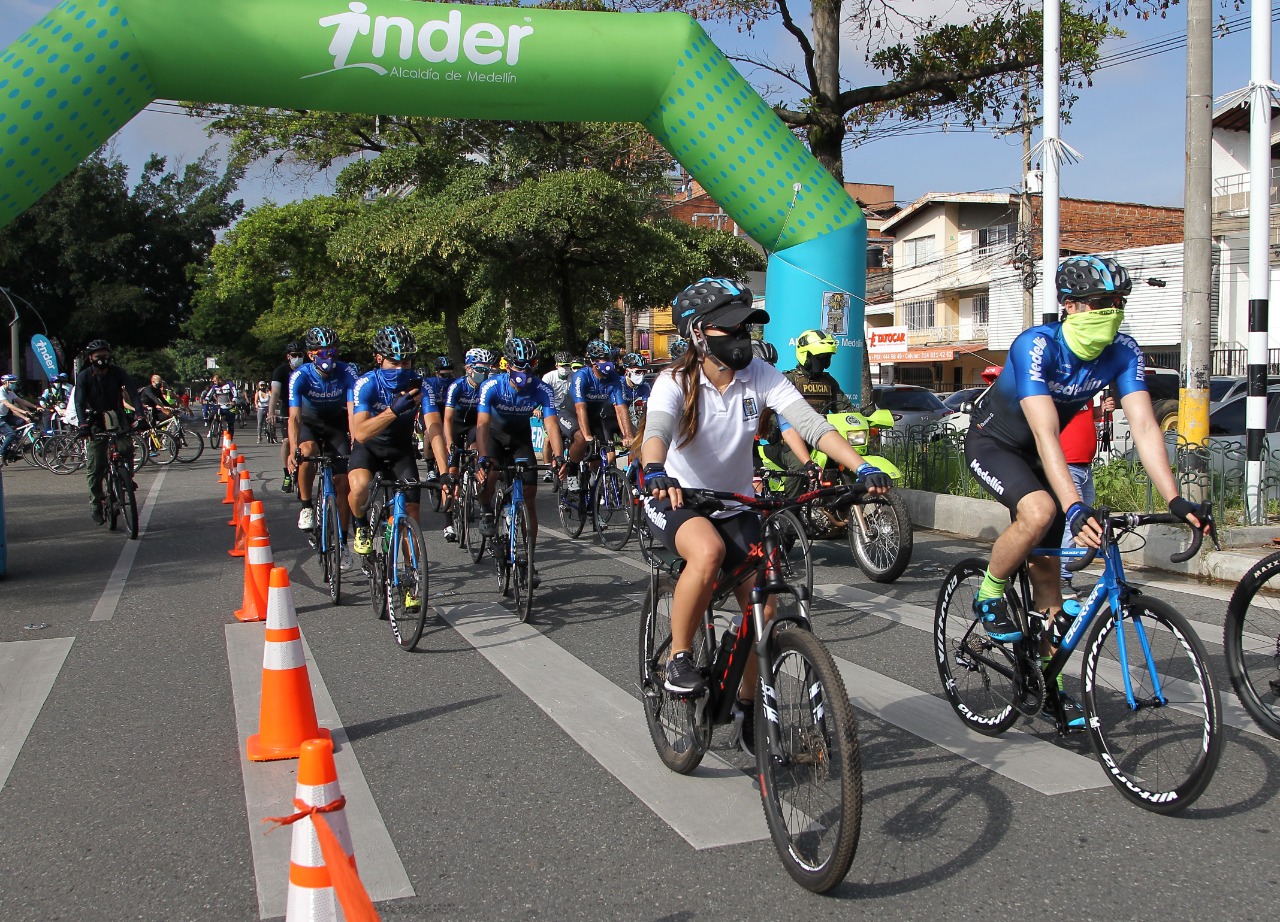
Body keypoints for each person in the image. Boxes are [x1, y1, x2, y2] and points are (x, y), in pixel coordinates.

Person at [639, 279, 890, 754]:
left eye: (746, 329)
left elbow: (812, 424)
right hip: (676, 498)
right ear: (697, 333)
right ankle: (679, 657)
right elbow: (657, 430)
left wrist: (861, 466)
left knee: (766, 608)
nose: (742, 339)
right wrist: (655, 470)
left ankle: (749, 710)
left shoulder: (760, 374)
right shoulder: (675, 382)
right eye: (730, 329)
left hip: (735, 501)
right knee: (708, 552)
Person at [964, 256, 1205, 727]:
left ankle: (1050, 684)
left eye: (1118, 302)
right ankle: (990, 591)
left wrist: (1175, 499)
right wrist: (1073, 507)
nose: (1110, 311)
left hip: (1042, 453)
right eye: (1099, 303)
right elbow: (1046, 433)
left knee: (1050, 589)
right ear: (1070, 306)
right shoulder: (1036, 346)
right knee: (1038, 511)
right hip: (996, 443)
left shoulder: (1123, 350)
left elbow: (1144, 425)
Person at [348, 325, 448, 610]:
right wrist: (393, 410)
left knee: (410, 517)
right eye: (395, 361)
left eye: (406, 361)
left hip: (401, 451)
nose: (401, 368)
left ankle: (411, 576)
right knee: (360, 488)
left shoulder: (420, 385)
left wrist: (444, 474)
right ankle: (360, 526)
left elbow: (435, 429)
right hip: (368, 449)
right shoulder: (366, 384)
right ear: (379, 358)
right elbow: (361, 433)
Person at [475, 337, 566, 588]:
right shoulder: (492, 386)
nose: (524, 371)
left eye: (530, 366)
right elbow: (481, 425)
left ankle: (529, 557)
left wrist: (559, 456)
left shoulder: (541, 389)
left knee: (529, 497)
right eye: (519, 365)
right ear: (508, 366)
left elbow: (551, 424)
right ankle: (486, 510)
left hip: (520, 439)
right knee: (490, 476)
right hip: (493, 436)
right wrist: (483, 458)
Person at [288, 325, 359, 571]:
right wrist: (291, 451)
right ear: (311, 354)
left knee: (343, 482)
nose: (329, 358)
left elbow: (352, 409)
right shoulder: (301, 376)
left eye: (333, 352)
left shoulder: (347, 371)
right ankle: (306, 506)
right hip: (310, 424)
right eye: (322, 353)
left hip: (336, 425)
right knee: (306, 452)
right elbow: (294, 417)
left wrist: (356, 438)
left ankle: (342, 542)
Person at [72, 340, 142, 524]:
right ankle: (96, 503)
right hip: (94, 420)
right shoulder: (84, 376)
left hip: (116, 417)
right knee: (96, 466)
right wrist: (83, 425)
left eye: (105, 356)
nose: (103, 360)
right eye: (98, 357)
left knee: (126, 448)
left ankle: (126, 476)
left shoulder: (118, 372)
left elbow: (134, 394)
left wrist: (140, 416)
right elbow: (78, 402)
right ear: (90, 358)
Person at [1058, 392, 1116, 599]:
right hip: (1066, 465)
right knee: (1072, 522)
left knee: (1083, 521)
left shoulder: (1084, 394)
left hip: (1084, 467)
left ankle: (1063, 574)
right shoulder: (1062, 393)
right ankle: (1062, 578)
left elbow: (1086, 415)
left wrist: (1101, 410)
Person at [443, 347, 495, 540]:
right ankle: (448, 523)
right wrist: (449, 442)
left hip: (475, 425)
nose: (485, 373)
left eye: (487, 369)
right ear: (469, 369)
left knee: (477, 449)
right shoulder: (457, 387)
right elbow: (447, 419)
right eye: (480, 369)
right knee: (451, 473)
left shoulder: (487, 387)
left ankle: (477, 481)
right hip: (456, 425)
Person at [563, 339, 631, 485]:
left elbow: (620, 408)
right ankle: (573, 470)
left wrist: (627, 435)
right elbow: (580, 408)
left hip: (593, 417)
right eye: (605, 359)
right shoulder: (582, 376)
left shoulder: (613, 378)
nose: (610, 363)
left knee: (596, 462)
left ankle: (593, 493)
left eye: (611, 359)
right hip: (570, 414)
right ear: (594, 362)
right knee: (581, 438)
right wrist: (587, 436)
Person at [270, 340, 306, 492]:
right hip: (288, 409)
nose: (297, 357)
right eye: (294, 355)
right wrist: (271, 411)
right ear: (288, 357)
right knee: (286, 441)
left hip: (306, 408)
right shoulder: (280, 371)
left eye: (300, 355)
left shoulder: (308, 369)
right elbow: (275, 393)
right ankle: (287, 474)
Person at [539, 351, 574, 480]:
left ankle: (571, 466)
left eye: (567, 365)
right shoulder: (548, 377)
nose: (564, 368)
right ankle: (548, 468)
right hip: (551, 411)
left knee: (574, 439)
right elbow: (541, 395)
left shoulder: (574, 377)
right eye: (562, 365)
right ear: (556, 365)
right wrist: (538, 409)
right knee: (548, 440)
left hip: (568, 412)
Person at [0, 373, 34, 462]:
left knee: (23, 423)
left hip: (6, 416)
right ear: (5, 383)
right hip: (0, 418)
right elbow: (8, 404)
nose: (13, 384)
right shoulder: (1, 391)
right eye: (12, 382)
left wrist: (35, 407)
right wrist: (23, 412)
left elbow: (21, 401)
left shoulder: (10, 392)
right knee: (11, 433)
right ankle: (2, 454)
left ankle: (13, 448)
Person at [203, 374, 238, 439]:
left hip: (229, 406)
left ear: (219, 380)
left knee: (230, 423)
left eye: (215, 381)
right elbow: (209, 394)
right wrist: (206, 400)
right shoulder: (214, 387)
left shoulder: (229, 385)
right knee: (210, 416)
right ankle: (212, 430)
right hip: (219, 406)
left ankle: (229, 439)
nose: (214, 383)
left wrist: (234, 401)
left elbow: (235, 393)